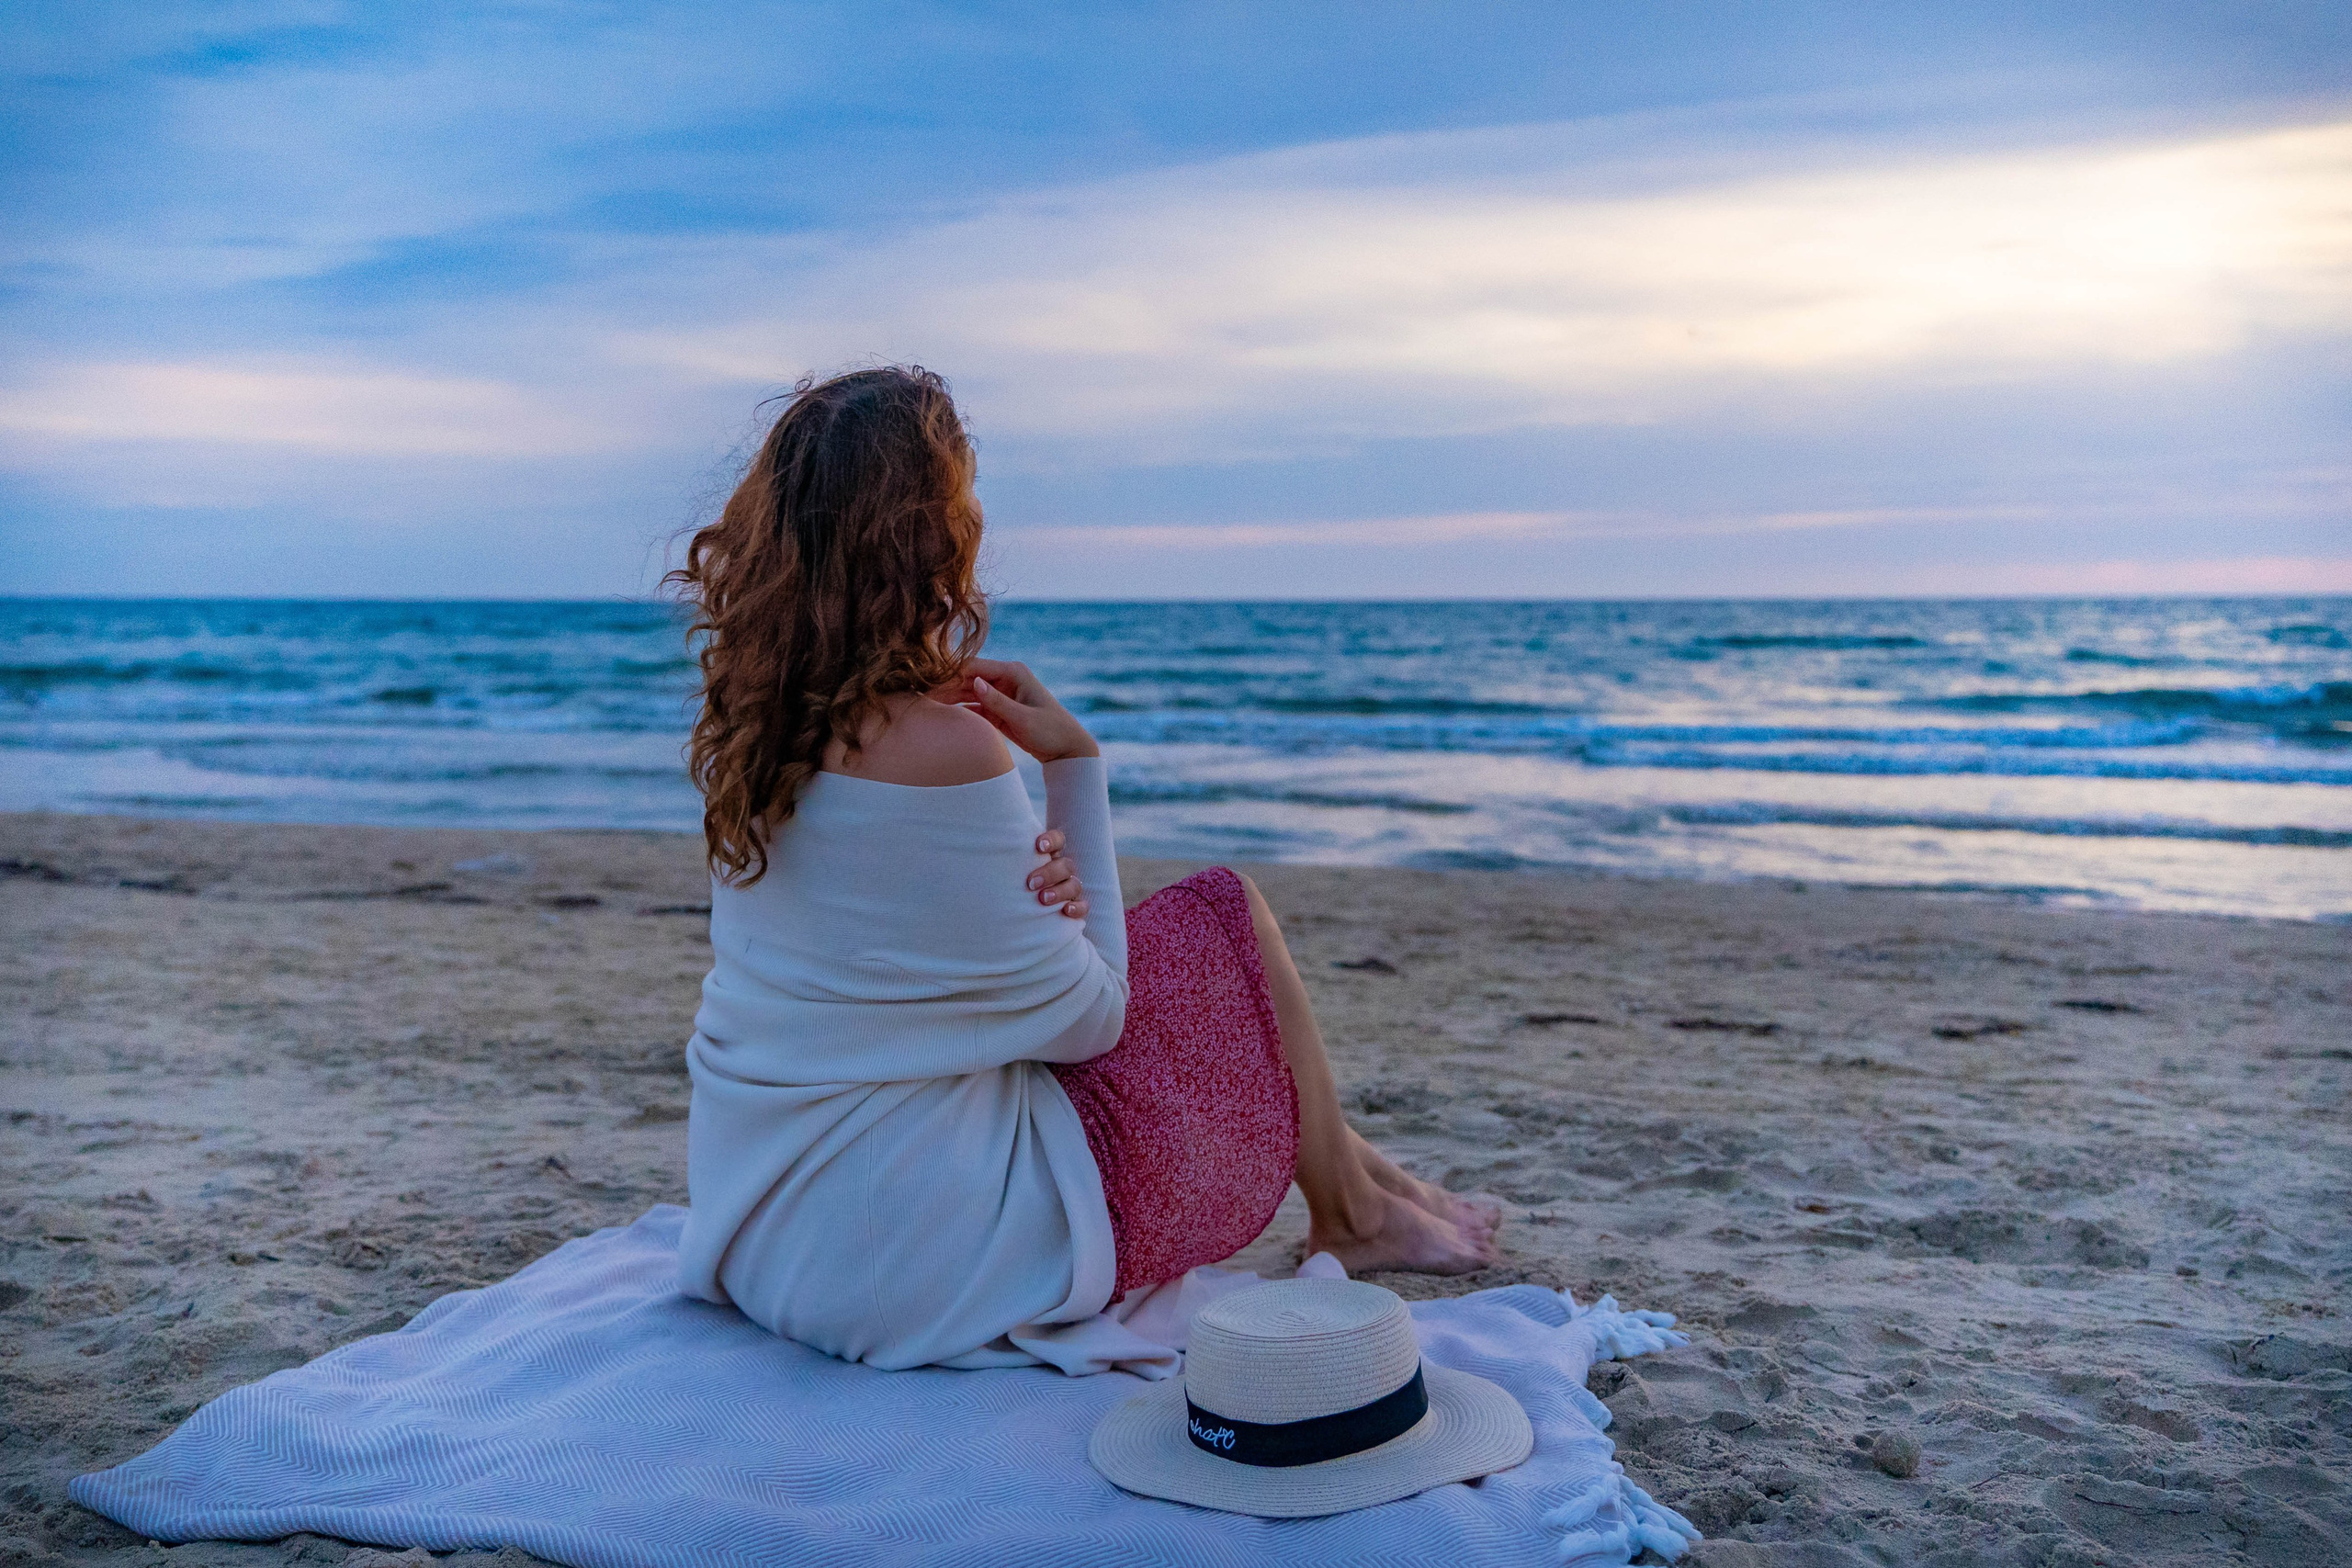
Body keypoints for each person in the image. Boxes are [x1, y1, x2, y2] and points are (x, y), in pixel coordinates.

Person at [668, 366, 1498, 1375]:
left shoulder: (756, 730)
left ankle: (1368, 1188)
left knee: (1166, 943)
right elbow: (1090, 1020)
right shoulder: (946, 747)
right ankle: (1356, 1209)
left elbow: (897, 971)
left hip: (762, 1233)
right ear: (930, 532)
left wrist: (1040, 909)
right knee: (1223, 911)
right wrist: (1073, 770)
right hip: (909, 1268)